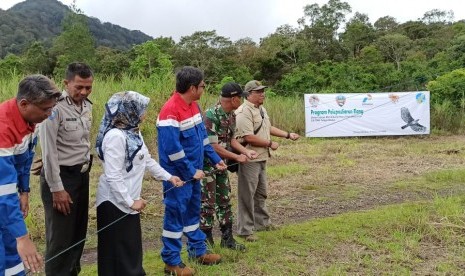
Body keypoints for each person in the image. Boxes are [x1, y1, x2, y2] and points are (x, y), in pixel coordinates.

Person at [95, 91, 184, 276]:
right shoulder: (115, 137)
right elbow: (113, 175)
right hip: (114, 203)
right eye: (142, 109)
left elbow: (147, 160)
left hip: (129, 200)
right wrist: (130, 202)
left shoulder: (134, 132)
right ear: (129, 110)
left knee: (130, 249)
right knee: (117, 253)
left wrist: (169, 177)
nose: (145, 113)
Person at [156, 66, 227, 276]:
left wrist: (215, 159)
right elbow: (172, 150)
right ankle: (171, 262)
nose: (204, 89)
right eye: (203, 86)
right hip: (178, 178)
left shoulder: (194, 106)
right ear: (193, 87)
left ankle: (198, 252)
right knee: (175, 216)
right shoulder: (170, 111)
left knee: (192, 214)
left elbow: (203, 139)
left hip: (194, 173)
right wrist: (189, 171)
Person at [0, 74, 61, 275]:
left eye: (51, 108)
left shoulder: (31, 121)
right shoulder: (3, 129)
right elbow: (4, 191)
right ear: (25, 104)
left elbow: (24, 162)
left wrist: (24, 191)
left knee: (15, 262)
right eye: (46, 109)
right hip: (3, 197)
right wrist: (23, 237)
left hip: (6, 202)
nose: (50, 114)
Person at [39, 62, 94, 275]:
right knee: (60, 239)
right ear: (66, 83)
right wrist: (56, 188)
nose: (83, 91)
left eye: (88, 87)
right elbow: (48, 152)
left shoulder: (87, 106)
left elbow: (81, 142)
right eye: (78, 87)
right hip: (61, 179)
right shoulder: (53, 109)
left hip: (81, 176)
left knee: (78, 233)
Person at [234, 80, 300, 242]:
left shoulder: (260, 109)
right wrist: (270, 143)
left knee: (261, 193)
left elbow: (267, 127)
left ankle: (262, 223)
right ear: (249, 94)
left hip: (262, 156)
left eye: (263, 91)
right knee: (246, 195)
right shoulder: (243, 112)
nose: (263, 93)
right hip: (249, 158)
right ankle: (245, 230)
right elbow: (248, 137)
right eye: (258, 91)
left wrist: (287, 134)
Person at [200, 82, 257, 251]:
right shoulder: (211, 115)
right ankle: (206, 241)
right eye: (241, 97)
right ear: (233, 99)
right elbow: (213, 147)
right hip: (208, 167)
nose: (242, 99)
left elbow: (231, 140)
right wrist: (236, 157)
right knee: (207, 204)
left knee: (224, 200)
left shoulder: (231, 115)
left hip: (222, 166)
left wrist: (245, 152)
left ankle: (227, 239)